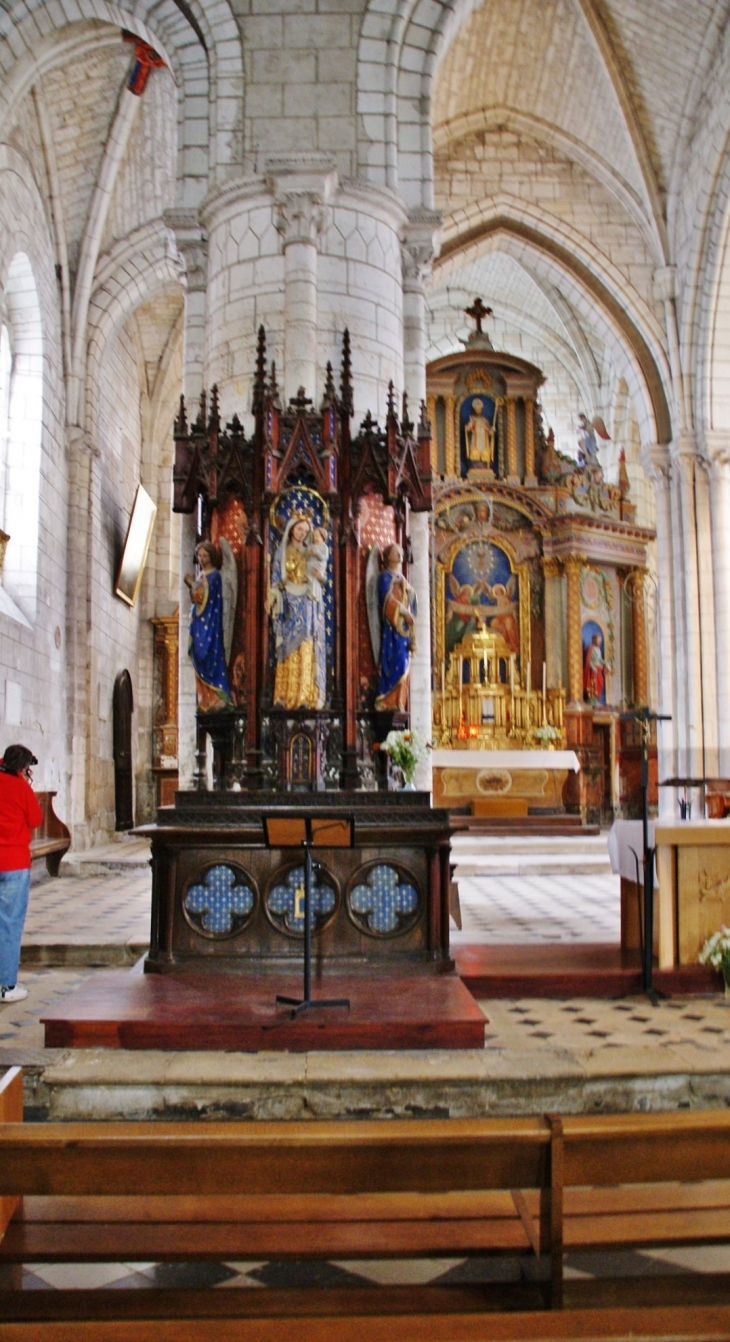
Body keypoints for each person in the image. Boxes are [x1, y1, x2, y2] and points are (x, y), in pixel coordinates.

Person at [269, 515, 327, 709]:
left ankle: (305, 696)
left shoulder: (311, 551)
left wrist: (321, 577)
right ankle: (284, 696)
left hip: (307, 601)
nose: (302, 533)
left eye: (305, 530)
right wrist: (273, 595)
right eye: (299, 529)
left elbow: (320, 571)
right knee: (287, 648)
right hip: (288, 602)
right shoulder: (281, 552)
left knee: (306, 645)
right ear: (291, 529)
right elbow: (276, 578)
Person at [0, 744, 42, 1003]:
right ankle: (6, 985)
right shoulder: (21, 788)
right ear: (23, 768)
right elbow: (36, 819)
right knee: (9, 924)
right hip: (13, 863)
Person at [184, 541, 233, 711]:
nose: (202, 559)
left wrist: (192, 584)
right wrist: (194, 585)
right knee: (198, 655)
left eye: (205, 555)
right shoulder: (201, 575)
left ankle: (218, 697)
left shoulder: (215, 576)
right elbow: (196, 598)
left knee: (211, 655)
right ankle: (205, 698)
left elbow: (203, 595)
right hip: (198, 621)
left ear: (212, 556)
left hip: (211, 624)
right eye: (200, 556)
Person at [375, 543, 417, 711]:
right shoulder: (385, 577)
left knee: (405, 662)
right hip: (392, 630)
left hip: (404, 630)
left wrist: (410, 593)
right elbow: (386, 600)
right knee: (397, 660)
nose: (400, 555)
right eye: (395, 552)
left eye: (401, 552)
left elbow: (412, 598)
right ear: (388, 557)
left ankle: (399, 701)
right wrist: (403, 611)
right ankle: (386, 700)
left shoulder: (403, 578)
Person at [584, 632, 607, 703]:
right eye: (598, 640)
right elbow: (588, 660)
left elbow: (600, 659)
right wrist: (592, 666)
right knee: (593, 685)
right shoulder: (590, 648)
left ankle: (596, 699)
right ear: (594, 640)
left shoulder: (598, 650)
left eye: (600, 640)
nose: (600, 642)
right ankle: (592, 699)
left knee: (600, 683)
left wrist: (606, 663)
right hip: (593, 671)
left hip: (598, 670)